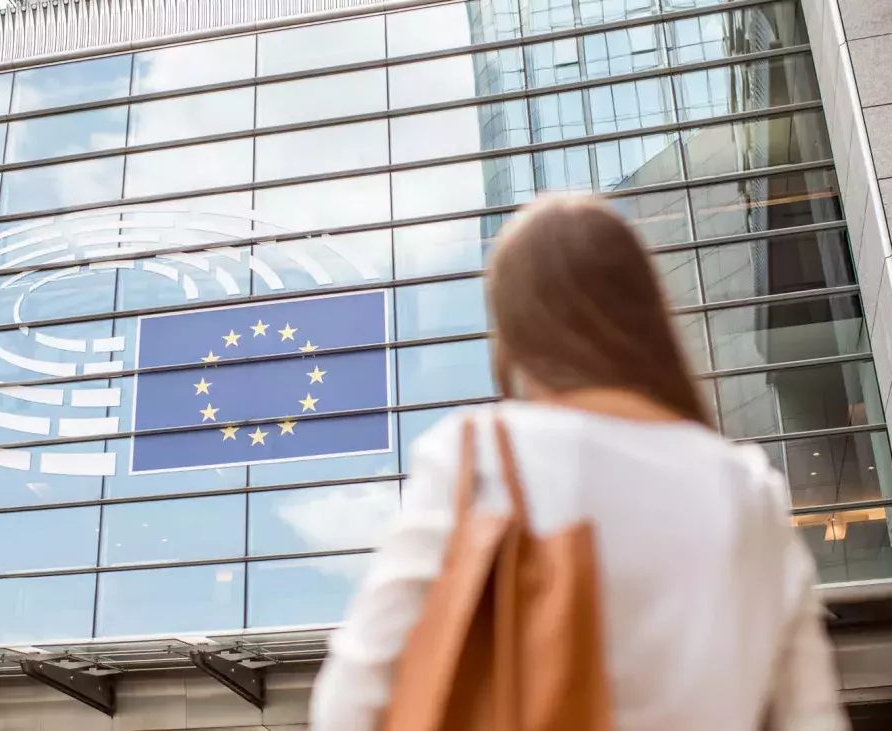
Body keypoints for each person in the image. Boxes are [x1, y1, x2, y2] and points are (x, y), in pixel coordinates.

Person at [310, 196, 847, 731]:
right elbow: (811, 715)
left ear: (516, 334)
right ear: (646, 315)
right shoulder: (749, 487)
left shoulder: (480, 454)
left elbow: (352, 698)